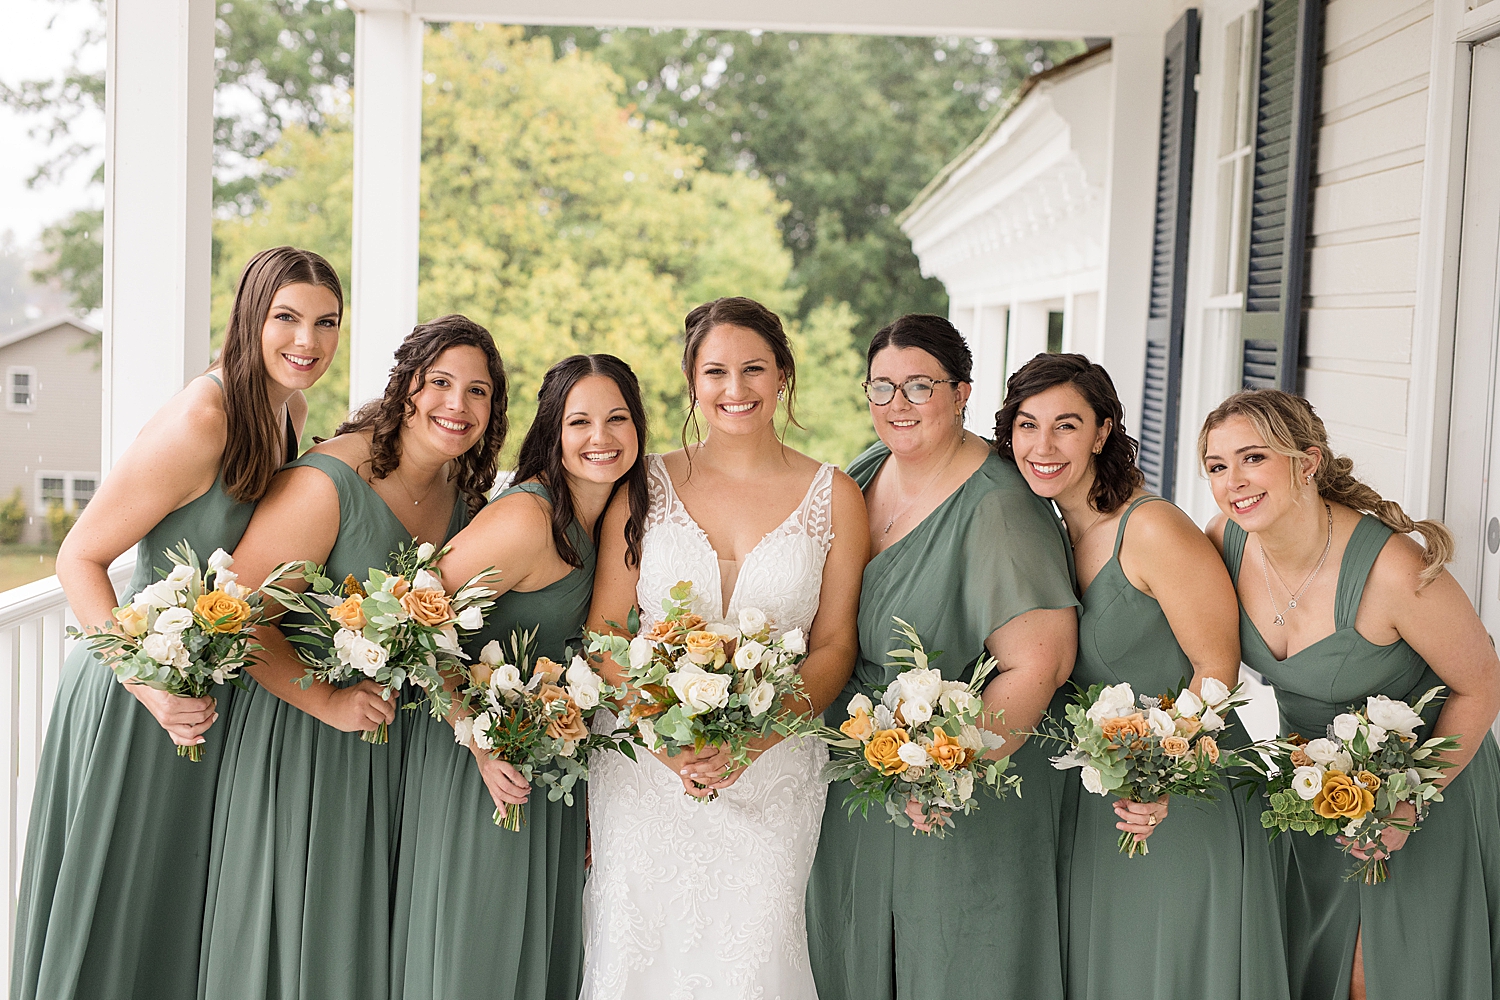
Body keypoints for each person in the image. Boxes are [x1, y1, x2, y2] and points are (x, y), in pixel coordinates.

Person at [11, 246, 342, 1000]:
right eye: (287, 318)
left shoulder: (288, 407)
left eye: (326, 323)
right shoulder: (204, 417)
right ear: (250, 316)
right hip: (138, 692)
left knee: (170, 914)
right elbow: (78, 559)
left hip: (209, 695)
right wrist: (148, 687)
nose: (309, 342)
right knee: (115, 907)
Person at [198, 315, 506, 1000]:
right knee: (310, 947)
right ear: (406, 388)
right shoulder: (328, 482)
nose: (457, 406)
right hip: (304, 745)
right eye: (441, 384)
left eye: (478, 392)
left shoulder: (464, 500)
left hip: (400, 760)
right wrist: (327, 702)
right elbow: (236, 620)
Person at [580, 296, 868, 998]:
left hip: (774, 774)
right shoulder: (642, 485)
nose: (734, 390)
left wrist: (757, 741)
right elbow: (606, 633)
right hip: (645, 770)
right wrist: (662, 736)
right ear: (691, 382)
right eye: (715, 372)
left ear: (783, 376)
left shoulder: (835, 495)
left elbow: (833, 644)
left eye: (753, 370)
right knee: (634, 957)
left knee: (754, 957)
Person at [806, 314, 1079, 1000]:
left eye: (919, 386)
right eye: (882, 387)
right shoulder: (868, 470)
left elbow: (1039, 664)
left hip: (958, 789)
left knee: (954, 963)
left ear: (961, 392)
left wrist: (943, 769)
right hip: (862, 771)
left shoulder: (999, 504)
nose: (897, 404)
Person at [1000, 352, 1289, 999]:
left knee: (1174, 971)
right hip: (1104, 796)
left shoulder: (1150, 527)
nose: (1043, 445)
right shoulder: (1046, 530)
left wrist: (1160, 774)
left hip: (1183, 792)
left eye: (1066, 425)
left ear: (1103, 431)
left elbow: (1218, 668)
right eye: (1027, 424)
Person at [1201, 388, 1500, 1000]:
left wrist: (1408, 801)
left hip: (1424, 785)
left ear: (1306, 464)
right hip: (1311, 792)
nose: (1234, 481)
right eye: (1216, 466)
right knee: (1313, 965)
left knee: (1384, 974)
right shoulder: (1224, 542)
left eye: (1253, 458)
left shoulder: (1392, 569)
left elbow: (1483, 684)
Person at [391, 353, 648, 1000]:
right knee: (478, 952)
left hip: (547, 763)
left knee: (536, 954)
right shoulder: (527, 518)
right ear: (553, 432)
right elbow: (413, 615)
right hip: (476, 765)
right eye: (580, 421)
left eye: (618, 419)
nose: (601, 438)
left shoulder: (611, 518)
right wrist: (473, 736)